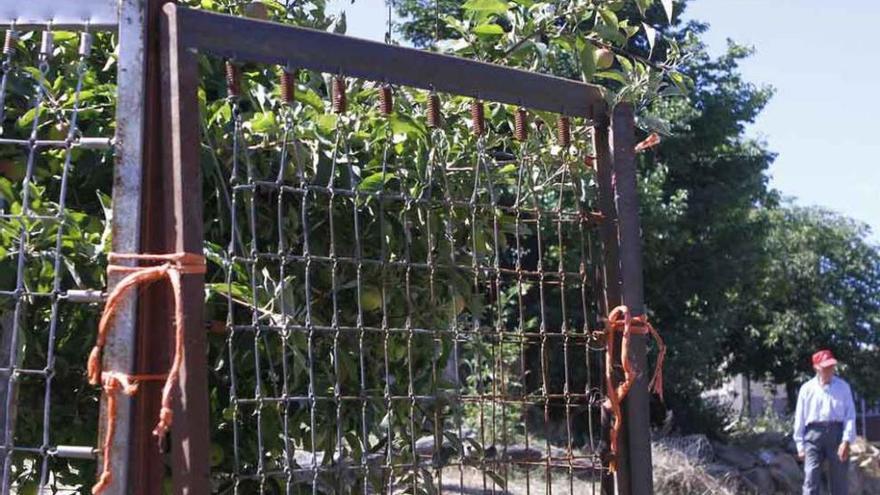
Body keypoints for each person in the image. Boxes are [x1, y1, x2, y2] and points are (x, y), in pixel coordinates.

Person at [793, 349, 856, 495]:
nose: (830, 369)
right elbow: (800, 417)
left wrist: (846, 441)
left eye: (832, 366)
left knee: (839, 481)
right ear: (816, 368)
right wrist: (799, 445)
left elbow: (850, 416)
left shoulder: (843, 387)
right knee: (811, 478)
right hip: (813, 436)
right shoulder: (807, 389)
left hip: (837, 435)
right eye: (826, 367)